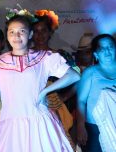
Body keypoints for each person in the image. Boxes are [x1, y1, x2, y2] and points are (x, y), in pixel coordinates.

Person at [0, 14, 80, 151]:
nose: (16, 36)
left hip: (39, 122)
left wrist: (45, 92)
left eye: (22, 31)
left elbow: (73, 76)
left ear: (30, 34)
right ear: (7, 36)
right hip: (11, 124)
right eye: (12, 32)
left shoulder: (43, 58)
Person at [32, 12, 78, 149]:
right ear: (30, 34)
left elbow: (77, 77)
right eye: (35, 31)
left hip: (56, 107)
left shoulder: (60, 55)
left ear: (50, 33)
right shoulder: (25, 56)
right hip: (33, 106)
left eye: (44, 31)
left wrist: (63, 97)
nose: (40, 35)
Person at [77, 34, 116, 152]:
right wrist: (80, 126)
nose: (107, 51)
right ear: (96, 54)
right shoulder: (90, 73)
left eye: (110, 47)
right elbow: (81, 100)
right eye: (102, 49)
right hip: (95, 127)